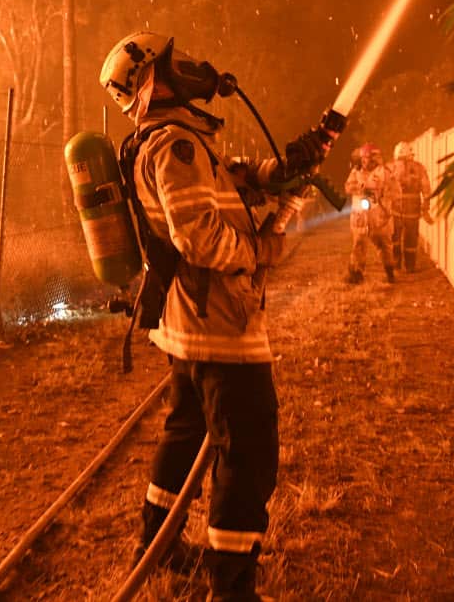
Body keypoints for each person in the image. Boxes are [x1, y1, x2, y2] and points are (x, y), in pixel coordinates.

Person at [100, 31, 323, 601]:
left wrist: (280, 169)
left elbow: (228, 179)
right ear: (153, 82)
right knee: (247, 454)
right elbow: (197, 235)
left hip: (189, 322)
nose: (193, 68)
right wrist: (260, 252)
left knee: (185, 431)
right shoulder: (176, 145)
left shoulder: (174, 141)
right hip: (220, 325)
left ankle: (161, 544)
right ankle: (231, 588)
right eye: (177, 63)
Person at [343, 143, 400, 284]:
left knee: (385, 245)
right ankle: (356, 274)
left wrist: (383, 197)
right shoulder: (356, 173)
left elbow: (396, 192)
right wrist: (360, 188)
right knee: (359, 244)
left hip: (379, 216)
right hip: (360, 217)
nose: (364, 161)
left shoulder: (385, 173)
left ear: (374, 158)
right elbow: (348, 187)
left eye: (366, 158)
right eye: (362, 158)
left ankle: (390, 272)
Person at [389, 141, 432, 273]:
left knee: (395, 239)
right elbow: (426, 189)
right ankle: (410, 266)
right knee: (410, 240)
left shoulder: (391, 168)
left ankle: (397, 265)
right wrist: (425, 207)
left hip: (396, 211)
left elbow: (385, 187)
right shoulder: (419, 167)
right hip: (410, 211)